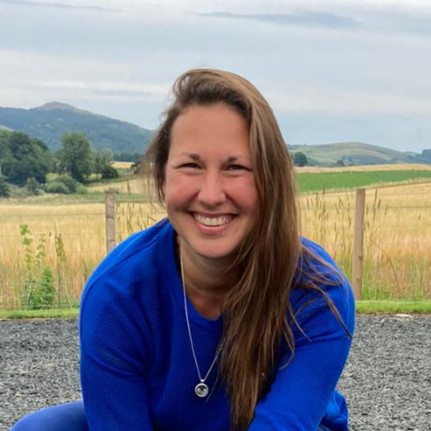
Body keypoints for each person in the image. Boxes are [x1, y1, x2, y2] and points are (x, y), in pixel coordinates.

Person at [11, 68, 355, 431]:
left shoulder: (319, 291)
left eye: (236, 167)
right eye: (191, 165)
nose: (211, 195)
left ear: (270, 181)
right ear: (162, 178)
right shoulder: (116, 296)